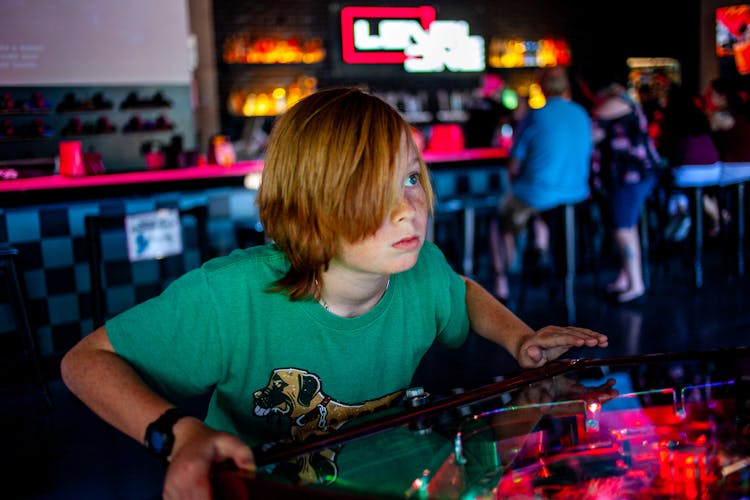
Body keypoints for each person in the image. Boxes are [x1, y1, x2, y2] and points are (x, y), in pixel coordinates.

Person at [60, 87, 608, 499]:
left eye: (411, 178)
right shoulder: (229, 297)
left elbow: (459, 293)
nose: (407, 208)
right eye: (372, 188)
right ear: (308, 207)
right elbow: (87, 361)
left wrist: (521, 340)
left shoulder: (422, 275)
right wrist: (178, 434)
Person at [489, 66, 593, 301]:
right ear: (566, 86)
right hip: (577, 194)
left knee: (500, 217)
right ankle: (541, 244)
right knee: (544, 208)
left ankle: (502, 283)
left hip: (539, 194)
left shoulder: (534, 116)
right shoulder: (581, 113)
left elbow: (514, 166)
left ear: (542, 88)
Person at [590, 78, 663, 304]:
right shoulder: (624, 102)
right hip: (629, 175)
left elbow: (590, 132)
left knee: (623, 228)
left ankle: (636, 285)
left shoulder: (615, 103)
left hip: (630, 175)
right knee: (624, 227)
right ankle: (626, 279)